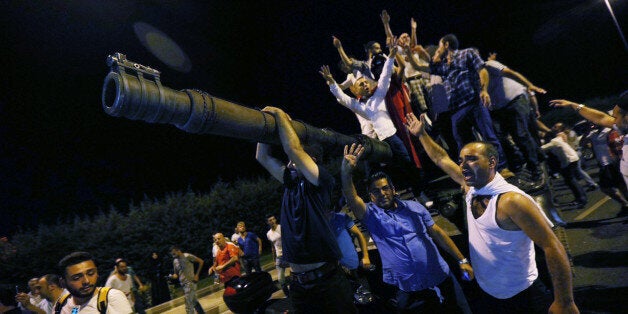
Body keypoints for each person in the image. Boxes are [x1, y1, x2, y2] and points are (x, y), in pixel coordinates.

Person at [406, 112, 579, 313]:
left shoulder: (512, 201)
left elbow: (552, 247)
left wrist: (565, 302)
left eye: (471, 159)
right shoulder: (471, 188)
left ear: (492, 162)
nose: (462, 166)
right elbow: (441, 158)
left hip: (522, 296)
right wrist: (422, 135)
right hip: (488, 292)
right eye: (461, 160)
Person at [341, 144, 472, 313]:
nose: (382, 193)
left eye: (385, 188)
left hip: (439, 275)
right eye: (376, 191)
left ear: (393, 189)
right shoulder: (370, 215)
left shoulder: (415, 208)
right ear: (371, 196)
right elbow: (351, 196)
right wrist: (346, 171)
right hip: (409, 287)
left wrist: (462, 260)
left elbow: (438, 234)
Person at [255, 106, 356, 313]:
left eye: (296, 161)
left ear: (313, 161)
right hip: (299, 285)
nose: (290, 164)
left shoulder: (321, 181)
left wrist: (281, 115)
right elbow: (262, 157)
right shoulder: (290, 183)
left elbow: (293, 149)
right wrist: (266, 124)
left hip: (327, 282)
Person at [430, 34, 511, 176]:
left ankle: (502, 168)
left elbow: (482, 70)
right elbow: (420, 65)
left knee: (488, 136)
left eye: (440, 45)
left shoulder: (467, 53)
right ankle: (475, 175)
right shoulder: (443, 66)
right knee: (463, 145)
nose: (438, 48)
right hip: (456, 110)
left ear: (446, 45)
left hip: (473, 102)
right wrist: (408, 51)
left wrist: (484, 90)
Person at [550, 93, 628, 188]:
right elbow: (600, 117)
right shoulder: (623, 127)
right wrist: (573, 105)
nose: (613, 118)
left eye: (617, 116)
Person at [485, 57, 546, 178]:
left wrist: (530, 85)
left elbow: (512, 73)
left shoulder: (489, 65)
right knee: (497, 137)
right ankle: (520, 160)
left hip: (515, 101)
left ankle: (536, 168)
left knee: (520, 134)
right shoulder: (469, 76)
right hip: (498, 109)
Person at [56, 251, 133, 313]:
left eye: (91, 274)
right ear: (63, 283)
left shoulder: (111, 298)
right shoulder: (60, 304)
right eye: (76, 278)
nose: (86, 281)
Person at [541, 131, 589, 208]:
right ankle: (581, 197)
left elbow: (542, 148)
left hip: (569, 161)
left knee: (571, 181)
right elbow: (561, 134)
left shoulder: (554, 142)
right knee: (571, 180)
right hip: (573, 159)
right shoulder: (559, 139)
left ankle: (581, 199)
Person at [169, 245, 205, 314]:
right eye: (172, 255)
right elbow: (176, 274)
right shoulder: (175, 261)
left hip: (190, 283)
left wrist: (197, 275)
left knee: (188, 306)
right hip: (183, 285)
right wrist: (172, 277)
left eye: (174, 253)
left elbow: (201, 261)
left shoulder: (187, 256)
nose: (173, 256)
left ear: (178, 251)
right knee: (194, 302)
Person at [265, 214, 289, 295]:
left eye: (273, 219)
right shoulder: (268, 234)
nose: (272, 221)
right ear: (268, 222)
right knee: (280, 278)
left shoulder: (281, 228)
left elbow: (289, 239)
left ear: (275, 220)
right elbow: (272, 246)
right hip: (279, 257)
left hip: (287, 254)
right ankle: (287, 294)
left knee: (294, 272)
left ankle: (296, 289)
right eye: (270, 220)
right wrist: (274, 259)